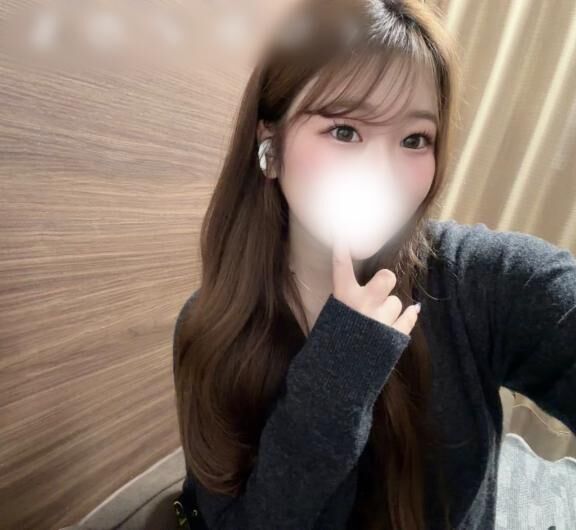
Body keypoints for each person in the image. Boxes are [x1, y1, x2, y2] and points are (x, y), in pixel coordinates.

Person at [172, 1, 576, 529]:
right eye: (344, 130)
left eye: (414, 139)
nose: (383, 172)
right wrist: (342, 366)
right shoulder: (213, 325)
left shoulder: (479, 280)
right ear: (270, 141)